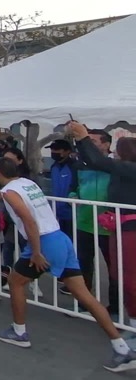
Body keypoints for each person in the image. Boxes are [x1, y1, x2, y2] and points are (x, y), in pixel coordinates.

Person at [0, 155, 136, 373]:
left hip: (43, 242)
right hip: (60, 239)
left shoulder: (10, 192)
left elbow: (28, 220)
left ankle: (19, 332)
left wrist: (37, 252)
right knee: (85, 296)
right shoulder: (26, 184)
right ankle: (122, 348)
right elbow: (10, 195)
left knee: (15, 282)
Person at [69, 121, 136, 334]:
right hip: (108, 227)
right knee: (118, 273)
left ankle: (126, 320)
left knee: (127, 277)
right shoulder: (122, 170)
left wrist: (82, 136)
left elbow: (97, 161)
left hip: (129, 232)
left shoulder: (129, 169)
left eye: (119, 149)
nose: (115, 153)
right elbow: (91, 163)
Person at [70, 129, 118, 312]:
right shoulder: (79, 165)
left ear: (106, 144)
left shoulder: (116, 165)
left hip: (110, 226)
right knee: (83, 265)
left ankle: (114, 307)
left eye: (94, 141)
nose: (89, 144)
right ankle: (84, 301)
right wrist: (72, 196)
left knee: (114, 268)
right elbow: (73, 187)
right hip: (84, 223)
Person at [44, 139, 78, 235]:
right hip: (56, 211)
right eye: (52, 150)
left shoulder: (74, 167)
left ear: (67, 151)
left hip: (71, 213)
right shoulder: (54, 167)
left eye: (57, 150)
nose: (53, 152)